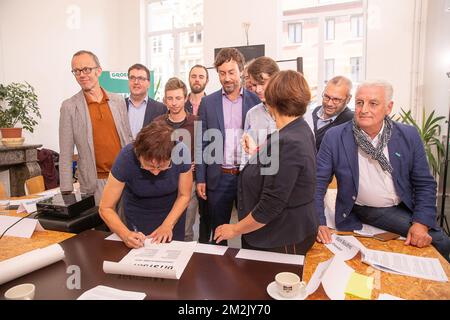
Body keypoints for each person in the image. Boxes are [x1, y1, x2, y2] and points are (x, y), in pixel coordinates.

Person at [315, 80, 450, 262]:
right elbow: (318, 182)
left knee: (436, 239)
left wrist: (421, 223)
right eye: (360, 103)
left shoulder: (408, 135)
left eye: (373, 103)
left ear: (388, 107)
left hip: (405, 202)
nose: (364, 110)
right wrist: (318, 221)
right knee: (441, 240)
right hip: (369, 208)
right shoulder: (336, 136)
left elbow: (424, 183)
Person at [214, 70, 318, 255]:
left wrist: (234, 229)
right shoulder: (298, 129)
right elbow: (282, 171)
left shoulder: (289, 141)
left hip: (280, 238)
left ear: (273, 101)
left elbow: (270, 205)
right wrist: (255, 152)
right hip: (279, 234)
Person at [196, 48, 260, 245]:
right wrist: (201, 177)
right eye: (222, 73)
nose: (227, 78)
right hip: (219, 176)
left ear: (241, 71)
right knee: (218, 232)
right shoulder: (208, 103)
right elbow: (201, 142)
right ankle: (217, 269)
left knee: (250, 231)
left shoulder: (255, 100)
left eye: (231, 72)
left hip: (247, 177)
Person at [99, 122, 193, 248]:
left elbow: (184, 195)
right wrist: (125, 234)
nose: (155, 172)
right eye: (149, 166)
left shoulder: (181, 152)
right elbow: (105, 208)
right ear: (139, 154)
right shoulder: (126, 158)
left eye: (162, 167)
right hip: (138, 214)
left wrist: (167, 225)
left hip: (172, 214)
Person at [59, 50, 133, 204]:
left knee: (126, 227)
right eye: (76, 71)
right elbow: (65, 153)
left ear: (99, 71)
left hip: (124, 178)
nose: (82, 75)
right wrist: (66, 192)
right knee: (101, 228)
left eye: (86, 69)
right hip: (94, 184)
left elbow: (128, 139)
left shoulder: (118, 101)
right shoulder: (69, 107)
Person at [154, 77, 199, 242]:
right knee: (163, 227)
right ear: (165, 100)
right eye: (170, 98)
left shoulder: (196, 123)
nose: (174, 103)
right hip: (163, 183)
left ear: (186, 98)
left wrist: (196, 163)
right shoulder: (157, 124)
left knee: (186, 230)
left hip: (189, 184)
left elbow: (204, 151)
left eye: (178, 98)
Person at [184, 64, 211, 243]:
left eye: (201, 76)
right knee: (185, 216)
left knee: (206, 214)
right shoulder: (179, 103)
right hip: (184, 170)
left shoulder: (212, 104)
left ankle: (203, 246)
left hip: (206, 169)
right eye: (194, 76)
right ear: (189, 79)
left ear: (206, 81)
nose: (197, 80)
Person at [240, 56, 279, 169]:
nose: (258, 90)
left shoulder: (295, 111)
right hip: (258, 181)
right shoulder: (252, 114)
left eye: (263, 83)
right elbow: (245, 157)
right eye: (254, 85)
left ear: (276, 79)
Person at [308, 76, 354, 150]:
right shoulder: (316, 111)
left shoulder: (350, 122)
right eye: (326, 97)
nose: (329, 103)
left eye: (336, 99)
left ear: (348, 99)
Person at [125, 63, 166, 139]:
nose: (136, 82)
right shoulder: (120, 106)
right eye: (132, 78)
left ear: (149, 83)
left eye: (141, 78)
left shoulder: (161, 109)